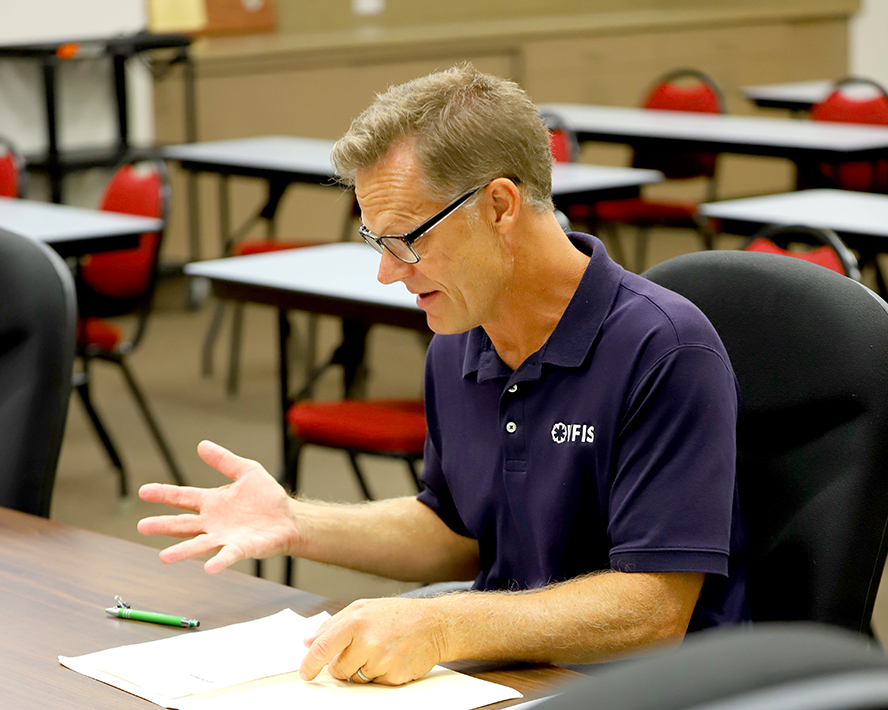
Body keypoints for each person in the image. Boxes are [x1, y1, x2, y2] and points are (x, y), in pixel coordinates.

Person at [138, 63, 747, 687]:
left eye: (408, 240)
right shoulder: (459, 341)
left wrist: (441, 624)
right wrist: (297, 522)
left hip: (653, 690)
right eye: (378, 241)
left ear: (500, 206)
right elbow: (454, 530)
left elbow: (653, 612)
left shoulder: (665, 350)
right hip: (507, 672)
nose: (387, 273)